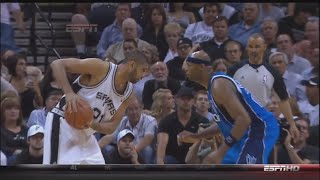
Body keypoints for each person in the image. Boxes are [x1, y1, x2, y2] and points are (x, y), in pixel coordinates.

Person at [42, 50, 150, 164]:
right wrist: (69, 93)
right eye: (143, 70)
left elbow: (112, 127)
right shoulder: (101, 68)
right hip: (63, 124)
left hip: (87, 135)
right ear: (132, 65)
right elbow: (57, 64)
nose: (144, 76)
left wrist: (92, 124)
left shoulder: (129, 94)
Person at [180, 50, 280, 164]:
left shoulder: (219, 84)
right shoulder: (212, 88)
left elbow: (243, 119)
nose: (186, 69)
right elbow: (223, 124)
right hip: (243, 133)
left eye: (189, 65)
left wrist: (220, 152)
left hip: (259, 129)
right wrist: (197, 136)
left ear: (201, 66)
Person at [156, 87, 209, 164]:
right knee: (168, 160)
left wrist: (199, 137)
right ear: (176, 100)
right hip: (172, 159)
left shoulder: (202, 121)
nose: (186, 101)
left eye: (189, 99)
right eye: (183, 98)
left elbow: (208, 145)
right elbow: (161, 149)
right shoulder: (166, 121)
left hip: (195, 158)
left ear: (193, 102)